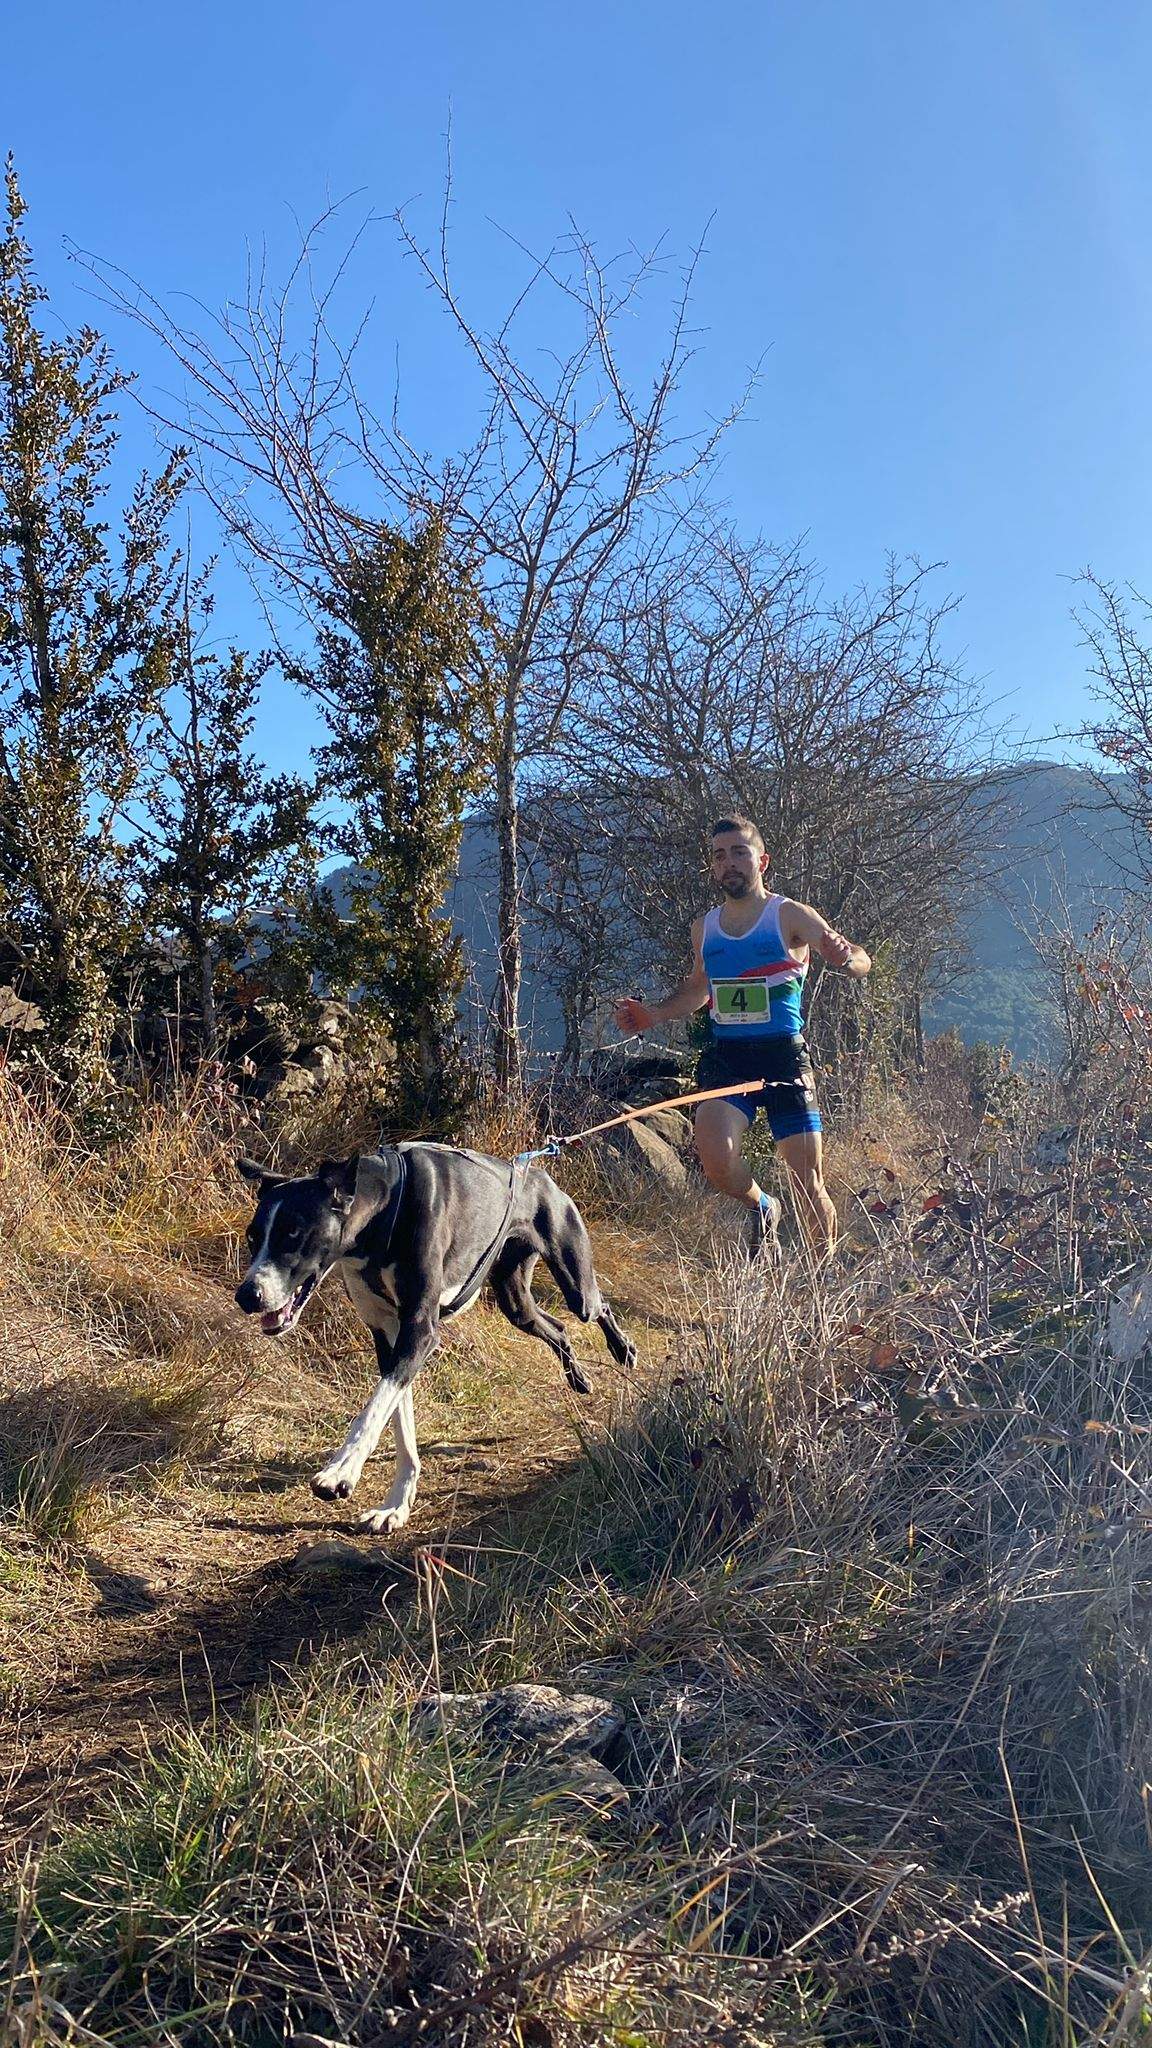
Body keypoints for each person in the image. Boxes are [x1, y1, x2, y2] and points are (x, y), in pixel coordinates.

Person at [614, 816, 871, 1259]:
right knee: (716, 1160)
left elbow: (861, 959)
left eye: (739, 852)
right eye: (719, 856)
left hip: (784, 1058)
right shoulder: (705, 928)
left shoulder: (788, 914)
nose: (729, 863)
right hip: (729, 1058)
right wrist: (651, 1015)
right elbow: (698, 987)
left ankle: (820, 1282)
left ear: (761, 860)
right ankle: (763, 1206)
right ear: (713, 869)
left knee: (808, 1183)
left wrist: (846, 959)